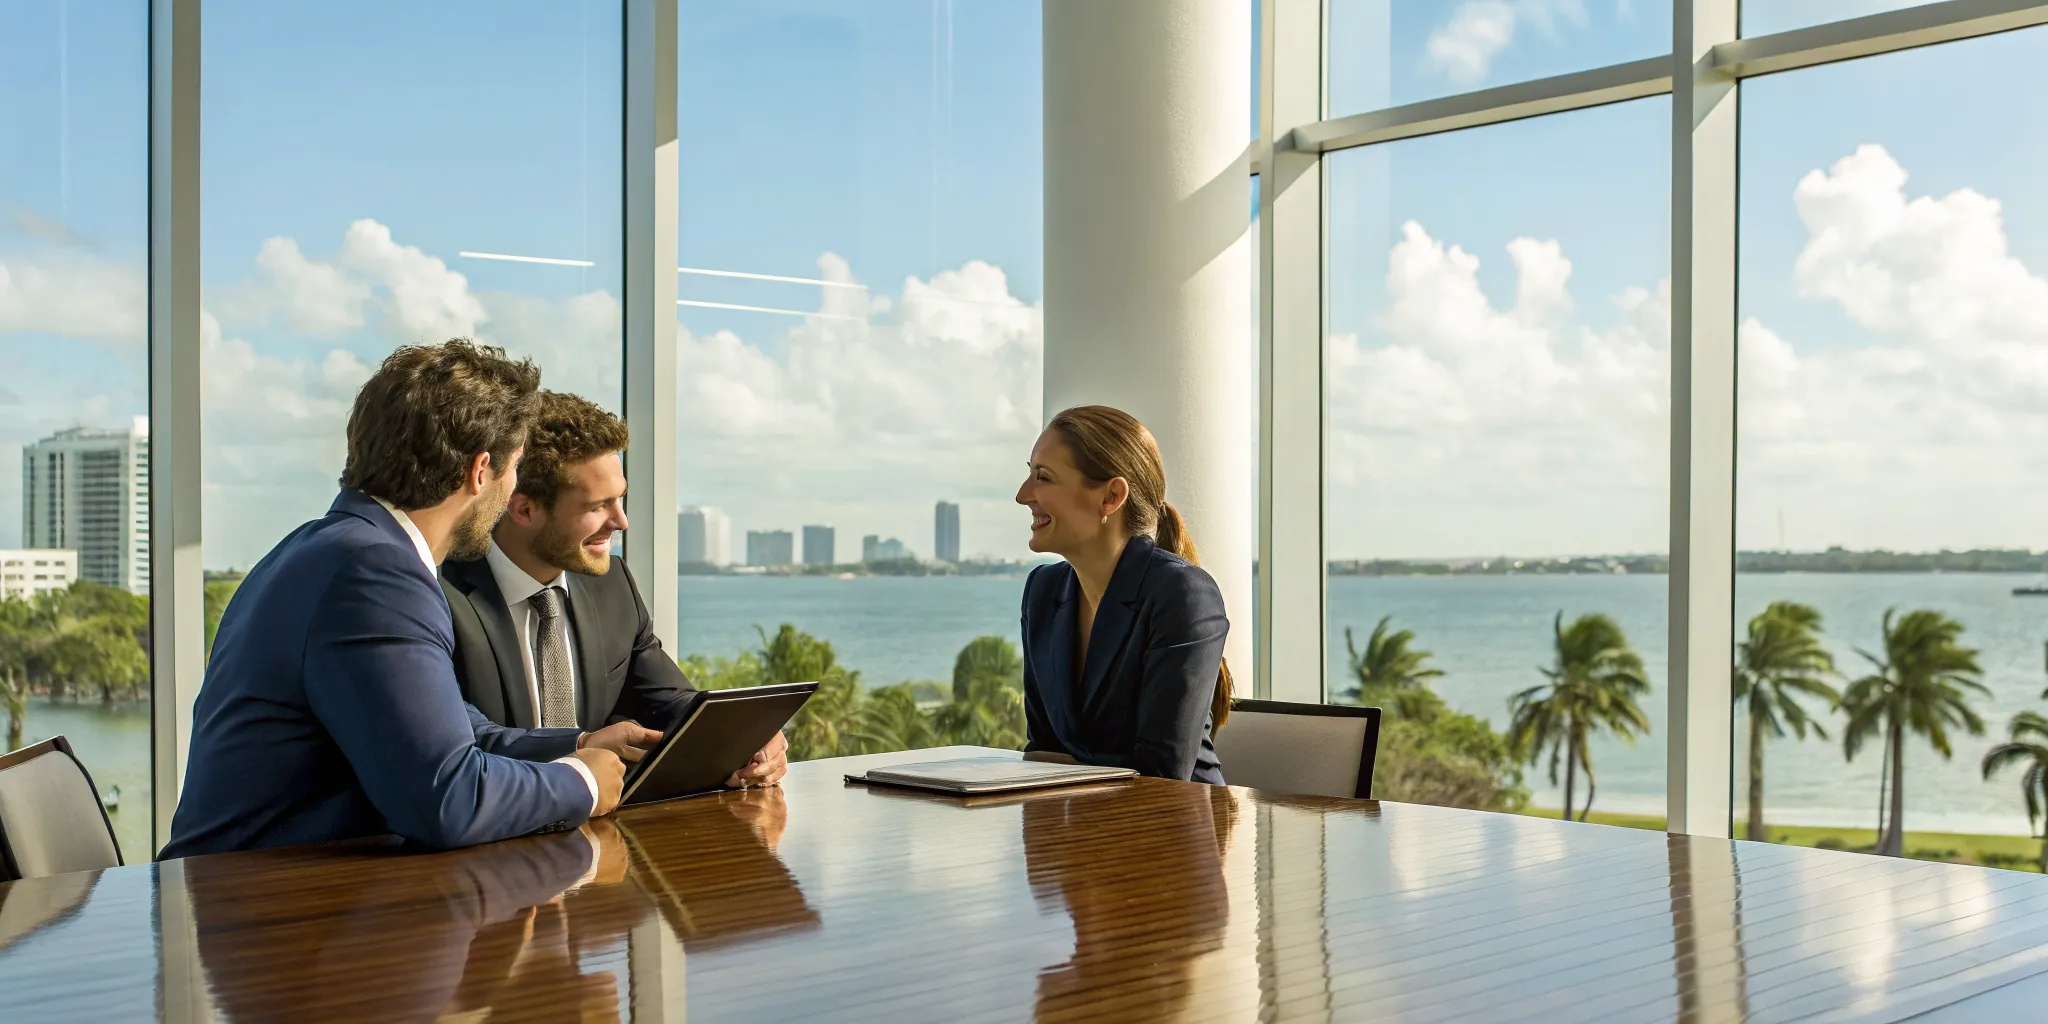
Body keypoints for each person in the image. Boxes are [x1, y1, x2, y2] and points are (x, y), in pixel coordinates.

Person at [164, 341, 650, 859]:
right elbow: (446, 799)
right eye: (515, 468)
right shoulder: (375, 573)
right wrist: (582, 783)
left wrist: (574, 747)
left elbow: (456, 732)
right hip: (260, 909)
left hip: (256, 900)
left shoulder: (329, 547)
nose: (512, 491)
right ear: (480, 470)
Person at [440, 391, 788, 789]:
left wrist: (744, 736)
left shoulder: (613, 585)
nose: (621, 522)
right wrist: (579, 746)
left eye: (620, 499)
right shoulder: (438, 593)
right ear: (524, 510)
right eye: (597, 506)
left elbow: (668, 702)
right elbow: (461, 742)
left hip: (599, 835)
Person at [1013, 405, 1232, 784]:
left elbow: (1161, 774)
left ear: (1111, 496)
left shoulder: (1183, 595)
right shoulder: (1042, 592)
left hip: (1175, 831)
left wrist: (1065, 769)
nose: (1022, 495)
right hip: (1078, 830)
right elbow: (1041, 752)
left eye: (1043, 477)